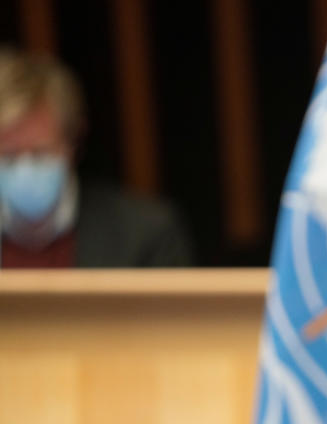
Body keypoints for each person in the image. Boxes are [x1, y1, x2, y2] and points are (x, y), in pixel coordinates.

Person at [0, 48, 191, 267]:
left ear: (72, 143)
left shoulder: (146, 234)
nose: (25, 168)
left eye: (40, 153)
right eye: (8, 156)